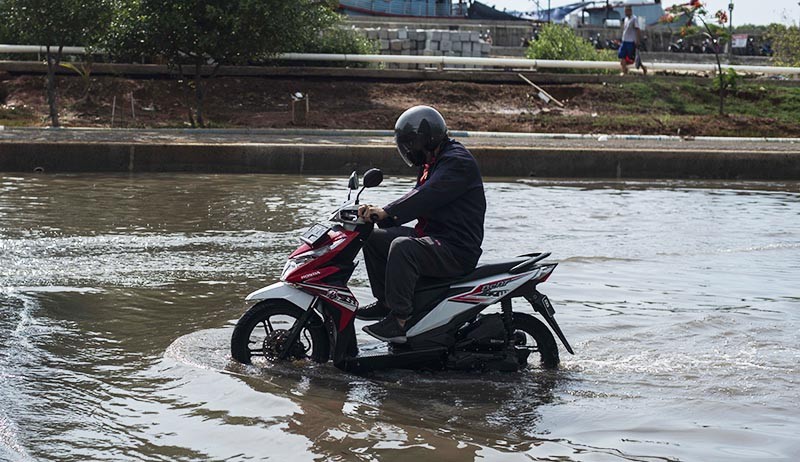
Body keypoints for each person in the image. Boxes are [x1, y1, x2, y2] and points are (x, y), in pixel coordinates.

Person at [356, 105, 486, 344]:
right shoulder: (434, 161)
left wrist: (387, 212)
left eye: (411, 143)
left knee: (403, 247)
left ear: (427, 139)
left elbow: (426, 195)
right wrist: (378, 214)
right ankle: (386, 303)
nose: (408, 149)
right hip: (436, 237)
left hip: (456, 248)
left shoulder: (456, 162)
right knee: (373, 238)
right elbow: (416, 197)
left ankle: (399, 320)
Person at [619, 5, 647, 76]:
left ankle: (643, 68)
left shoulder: (634, 19)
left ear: (630, 11)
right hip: (624, 41)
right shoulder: (625, 19)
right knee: (622, 56)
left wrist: (637, 40)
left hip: (631, 42)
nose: (625, 12)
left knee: (631, 58)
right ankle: (624, 72)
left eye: (626, 11)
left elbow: (637, 29)